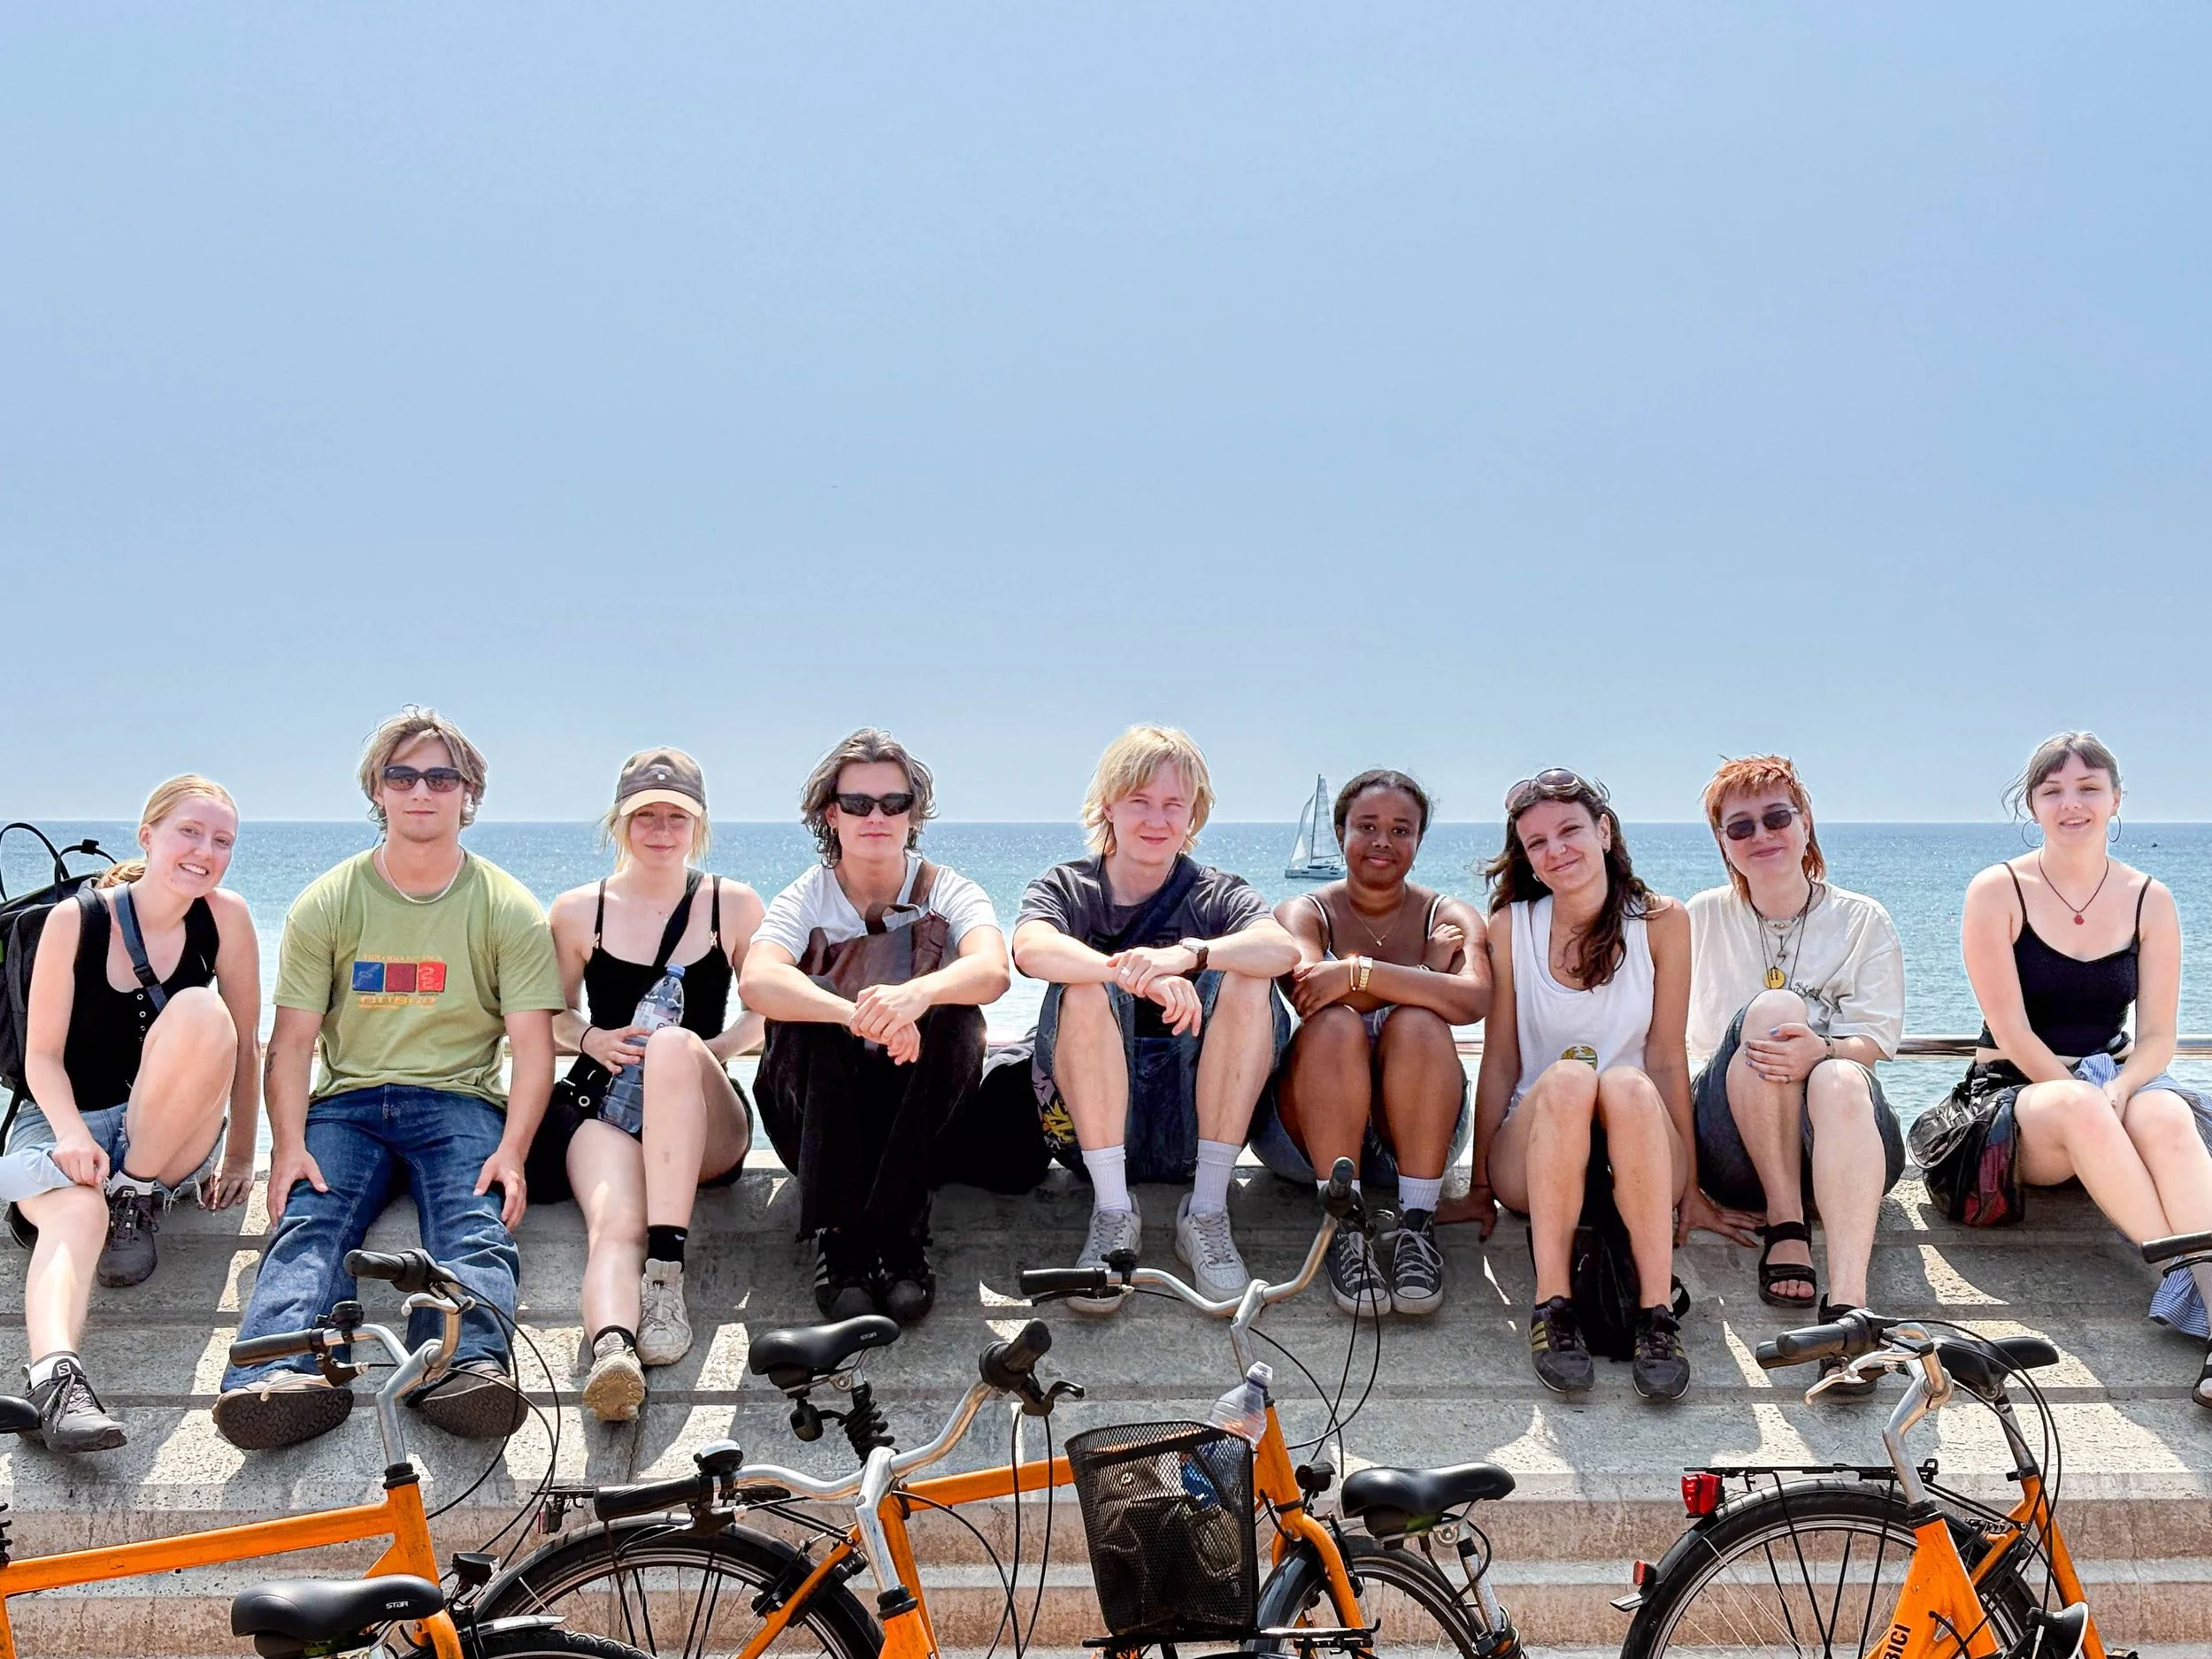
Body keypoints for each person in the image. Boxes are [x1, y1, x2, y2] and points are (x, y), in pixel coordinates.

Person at [215, 708, 565, 1451]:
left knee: (475, 1226)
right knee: (309, 1219)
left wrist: (513, 1149)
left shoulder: (507, 906)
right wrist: (287, 1146)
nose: (420, 791)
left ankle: (462, 1365)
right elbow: (295, 1039)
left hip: (461, 1101)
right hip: (347, 1105)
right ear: (377, 789)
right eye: (401, 775)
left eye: (441, 777)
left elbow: (535, 1047)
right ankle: (280, 1372)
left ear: (468, 793)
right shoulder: (329, 900)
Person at [1465, 770, 1755, 1402]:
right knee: (1569, 1078)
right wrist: (1480, 1184)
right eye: (1536, 842)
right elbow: (1501, 1060)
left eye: (1569, 830)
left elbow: (1668, 1059)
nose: (1556, 850)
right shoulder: (1512, 925)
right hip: (1538, 1148)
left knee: (1624, 1082)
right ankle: (1552, 1308)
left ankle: (1657, 1312)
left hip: (1641, 1144)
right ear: (1527, 858)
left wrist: (1695, 1190)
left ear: (1604, 830)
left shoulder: (1661, 922)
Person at [1945, 732, 2212, 1407]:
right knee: (2081, 1103)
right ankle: (2186, 1270)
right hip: (2014, 1102)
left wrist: (2120, 1087)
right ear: (2031, 804)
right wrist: (2093, 1095)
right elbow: (2011, 1030)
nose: (2072, 803)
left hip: (2108, 1081)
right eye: (2053, 789)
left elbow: (2155, 1038)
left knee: (2165, 1109)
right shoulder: (1998, 889)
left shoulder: (2151, 898)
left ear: (2116, 799)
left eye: (2089, 787)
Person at [9, 777, 259, 1453]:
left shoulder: (225, 917)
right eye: (189, 831)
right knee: (76, 1212)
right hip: (69, 1118)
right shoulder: (75, 921)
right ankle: (55, 1379)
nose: (204, 851)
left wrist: (242, 1156)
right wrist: (67, 1134)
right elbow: (41, 1059)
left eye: (222, 840)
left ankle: (135, 1197)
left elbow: (245, 1042)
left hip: (166, 1135)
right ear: (147, 834)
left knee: (204, 1010)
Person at [1013, 726, 1299, 1308]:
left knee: (1248, 975)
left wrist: (1188, 955)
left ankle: (1208, 1213)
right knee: (1084, 986)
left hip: (1196, 1133)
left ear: (1194, 814)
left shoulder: (1217, 893)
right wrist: (1129, 973)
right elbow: (1029, 948)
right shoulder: (1070, 886)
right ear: (1109, 805)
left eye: (1174, 804)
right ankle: (1114, 1213)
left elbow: (1282, 949)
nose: (1156, 819)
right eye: (1140, 801)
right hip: (1087, 1138)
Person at [741, 729, 1014, 1326]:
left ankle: (900, 1232)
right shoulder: (808, 895)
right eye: (859, 803)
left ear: (912, 813)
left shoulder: (948, 888)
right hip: (817, 1118)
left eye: (893, 803)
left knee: (958, 1015)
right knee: (802, 1015)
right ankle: (843, 1241)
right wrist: (855, 1012)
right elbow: (757, 981)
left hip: (914, 1120)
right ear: (831, 813)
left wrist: (918, 994)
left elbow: (993, 969)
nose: (876, 816)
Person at [536, 749, 761, 1422]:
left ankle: (667, 1277)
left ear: (698, 825)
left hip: (705, 1121)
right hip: (604, 1104)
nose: (661, 831)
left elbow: (768, 1013)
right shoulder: (581, 911)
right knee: (614, 1223)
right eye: (646, 817)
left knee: (670, 1046)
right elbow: (544, 1015)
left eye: (677, 817)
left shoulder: (733, 903)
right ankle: (613, 1349)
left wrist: (705, 1051)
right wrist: (589, 1038)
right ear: (620, 822)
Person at [1686, 757, 1907, 1394]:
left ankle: (1849, 1311)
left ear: (1806, 824)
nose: (1763, 834)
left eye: (1778, 816)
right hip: (1732, 1149)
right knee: (1776, 1009)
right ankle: (1787, 1224)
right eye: (1741, 826)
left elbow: (1874, 1040)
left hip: (1841, 1140)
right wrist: (1683, 1186)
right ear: (1723, 844)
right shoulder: (1698, 917)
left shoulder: (1863, 919)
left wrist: (1822, 1053)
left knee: (1838, 1075)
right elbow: (1664, 1053)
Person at [1252, 770, 1490, 1317]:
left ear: (1418, 841)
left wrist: (1358, 973)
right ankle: (1344, 1227)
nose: (1384, 841)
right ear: (1340, 834)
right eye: (1367, 826)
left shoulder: (1448, 915)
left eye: (1401, 830)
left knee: (1420, 1024)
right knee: (1337, 1025)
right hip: (1307, 1142)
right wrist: (1426, 974)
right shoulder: (1305, 912)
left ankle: (1416, 1226)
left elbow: (1475, 999)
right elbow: (1312, 993)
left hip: (1415, 1146)